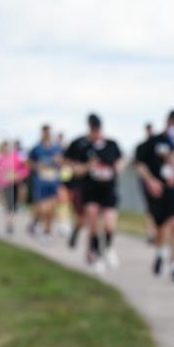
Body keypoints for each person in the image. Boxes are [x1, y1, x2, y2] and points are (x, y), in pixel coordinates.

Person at [65, 114, 124, 270]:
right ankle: (94, 252)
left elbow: (121, 160)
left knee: (110, 222)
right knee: (91, 220)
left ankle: (109, 247)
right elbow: (70, 163)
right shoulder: (81, 145)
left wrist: (118, 167)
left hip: (108, 190)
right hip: (89, 190)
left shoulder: (111, 144)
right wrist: (86, 167)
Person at [135, 111, 174, 281]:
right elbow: (140, 164)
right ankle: (160, 253)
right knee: (162, 229)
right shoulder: (153, 142)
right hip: (158, 192)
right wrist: (150, 181)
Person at [28, 124, 64, 242]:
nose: (47, 135)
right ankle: (35, 223)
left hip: (53, 182)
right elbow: (29, 162)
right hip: (41, 182)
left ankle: (47, 232)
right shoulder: (36, 148)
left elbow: (63, 162)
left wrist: (59, 162)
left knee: (51, 210)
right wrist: (36, 166)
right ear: (42, 133)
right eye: (45, 133)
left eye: (49, 132)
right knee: (42, 209)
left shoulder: (57, 148)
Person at [0, 141, 29, 234]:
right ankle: (9, 225)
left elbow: (25, 169)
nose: (6, 149)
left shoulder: (17, 157)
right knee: (9, 206)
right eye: (4, 147)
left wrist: (18, 175)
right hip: (6, 185)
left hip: (16, 184)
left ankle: (12, 219)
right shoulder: (0, 158)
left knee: (13, 205)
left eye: (7, 147)